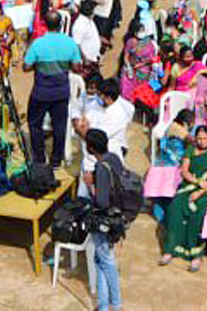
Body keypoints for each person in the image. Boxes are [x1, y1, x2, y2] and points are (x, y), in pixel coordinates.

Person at [22, 10, 81, 168]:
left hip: (41, 92)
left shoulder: (38, 43)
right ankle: (56, 160)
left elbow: (26, 67)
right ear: (61, 24)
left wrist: (39, 63)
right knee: (59, 125)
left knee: (35, 124)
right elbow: (76, 67)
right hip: (61, 92)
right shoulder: (70, 43)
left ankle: (40, 158)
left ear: (45, 24)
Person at [160, 124, 207, 271]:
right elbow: (184, 171)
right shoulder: (190, 150)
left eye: (205, 138)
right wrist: (197, 182)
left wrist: (201, 189)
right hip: (189, 185)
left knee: (199, 210)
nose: (202, 141)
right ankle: (170, 250)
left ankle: (196, 255)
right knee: (174, 208)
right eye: (199, 138)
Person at [84, 128, 124, 311]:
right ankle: (103, 305)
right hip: (117, 218)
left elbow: (101, 201)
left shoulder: (101, 167)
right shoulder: (114, 158)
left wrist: (90, 184)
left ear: (91, 148)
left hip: (104, 221)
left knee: (106, 262)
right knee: (100, 259)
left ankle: (115, 304)